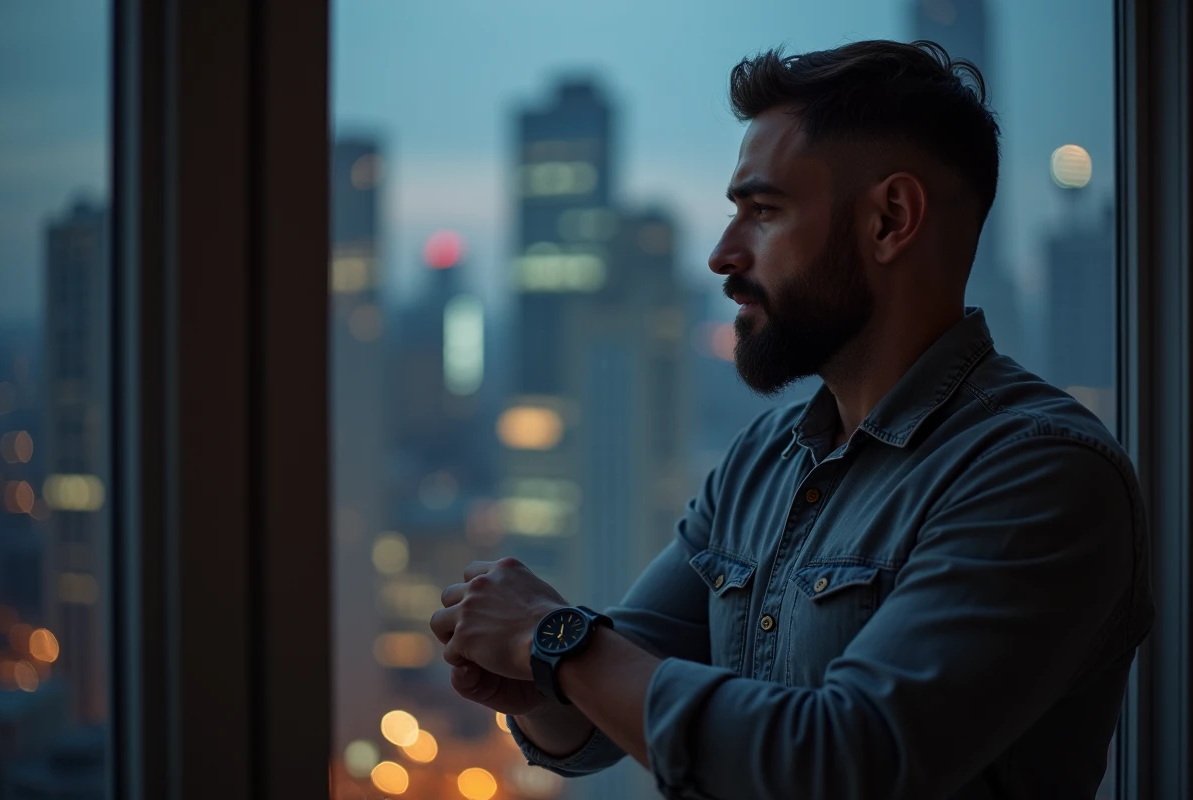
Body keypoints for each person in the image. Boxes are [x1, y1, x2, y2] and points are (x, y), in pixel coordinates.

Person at [429, 39, 1153, 799]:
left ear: (889, 219)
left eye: (763, 211)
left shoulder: (1039, 473)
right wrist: (536, 678)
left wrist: (555, 640)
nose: (721, 254)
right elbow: (596, 719)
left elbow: (840, 762)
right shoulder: (765, 459)